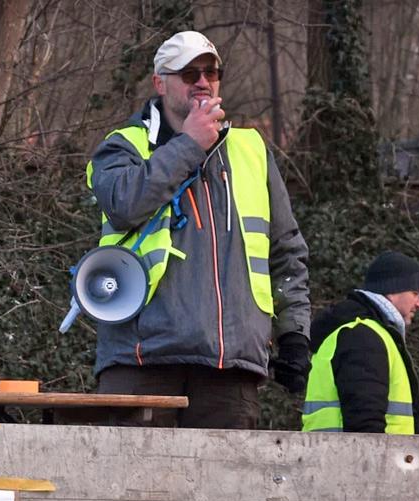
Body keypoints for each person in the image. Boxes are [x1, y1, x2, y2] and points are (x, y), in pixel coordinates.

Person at [87, 30, 311, 429]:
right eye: (190, 74)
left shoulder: (251, 150)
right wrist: (189, 144)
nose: (204, 81)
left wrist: (294, 333)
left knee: (224, 493)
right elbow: (123, 204)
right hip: (142, 361)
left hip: (230, 366)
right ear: (160, 82)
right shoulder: (122, 146)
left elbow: (286, 251)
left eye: (212, 72)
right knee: (134, 490)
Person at [301, 251, 419, 434]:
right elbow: (365, 425)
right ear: (392, 290)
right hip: (361, 460)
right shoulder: (364, 337)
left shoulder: (359, 332)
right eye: (416, 293)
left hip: (333, 457)